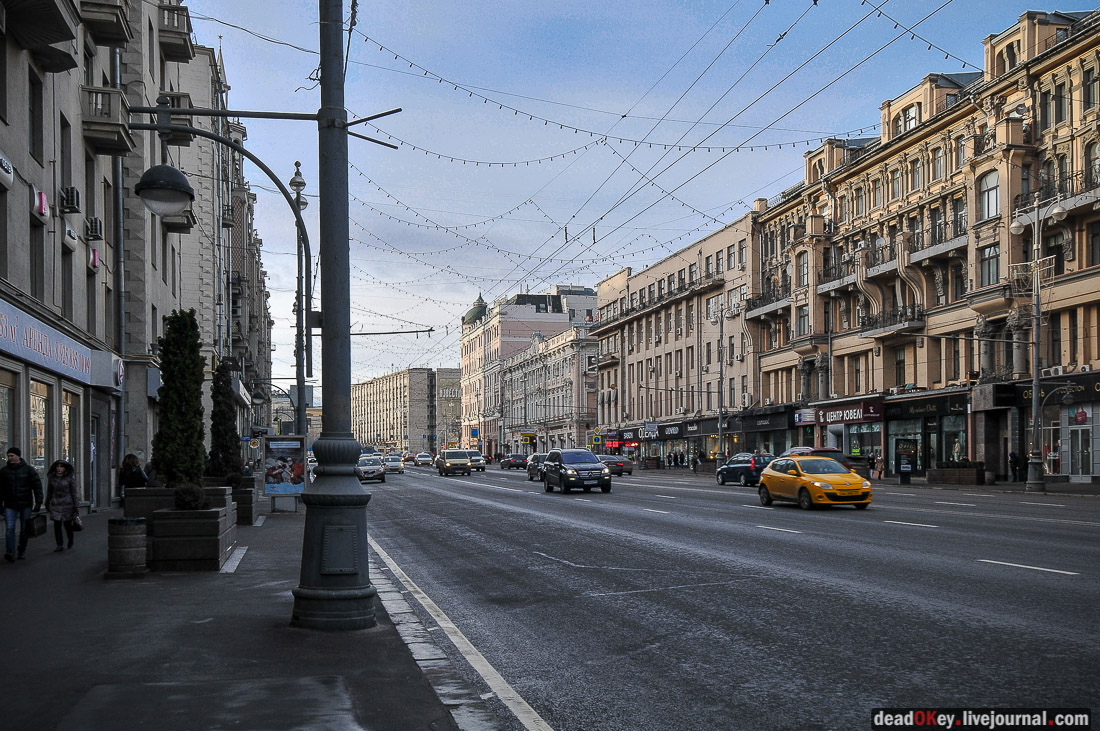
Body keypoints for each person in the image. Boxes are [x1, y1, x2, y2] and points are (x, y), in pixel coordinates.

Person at [1, 447, 44, 562]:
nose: (10, 458)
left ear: (18, 456)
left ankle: (21, 550)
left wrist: (39, 502)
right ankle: (10, 552)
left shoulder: (29, 470)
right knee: (10, 528)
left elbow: (37, 486)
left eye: (12, 456)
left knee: (24, 529)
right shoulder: (4, 471)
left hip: (26, 504)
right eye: (8, 456)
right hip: (10, 504)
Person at [45, 460, 80, 552]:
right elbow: (49, 491)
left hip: (67, 503)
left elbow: (74, 492)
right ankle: (59, 544)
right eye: (58, 466)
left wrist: (76, 505)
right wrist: (47, 502)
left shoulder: (69, 478)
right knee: (57, 524)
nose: (59, 468)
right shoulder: (52, 478)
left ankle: (70, 539)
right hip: (55, 503)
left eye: (61, 466)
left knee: (67, 524)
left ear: (65, 468)